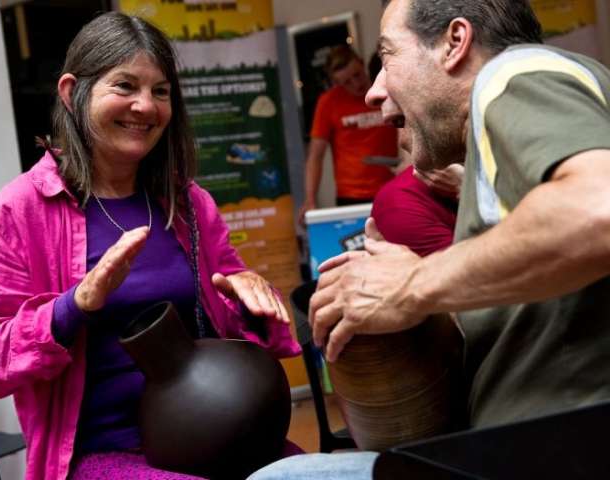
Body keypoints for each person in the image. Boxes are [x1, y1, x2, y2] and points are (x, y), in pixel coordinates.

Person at [247, 0, 610, 477]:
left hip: (552, 450)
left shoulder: (512, 73)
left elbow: (598, 209)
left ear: (455, 43)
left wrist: (412, 283)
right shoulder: (510, 128)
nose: (374, 92)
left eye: (389, 56)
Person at [0, 12, 301, 480]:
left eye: (160, 91)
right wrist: (73, 307)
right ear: (71, 92)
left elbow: (233, 331)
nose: (145, 106)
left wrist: (250, 300)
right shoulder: (21, 210)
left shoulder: (188, 203)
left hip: (213, 431)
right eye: (124, 86)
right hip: (99, 454)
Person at [299, 45, 397, 221]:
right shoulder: (328, 102)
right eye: (346, 82)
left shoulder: (386, 91)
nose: (356, 84)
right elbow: (316, 155)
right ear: (336, 83)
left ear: (362, 63)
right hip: (351, 195)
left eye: (357, 75)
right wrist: (310, 199)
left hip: (393, 186)